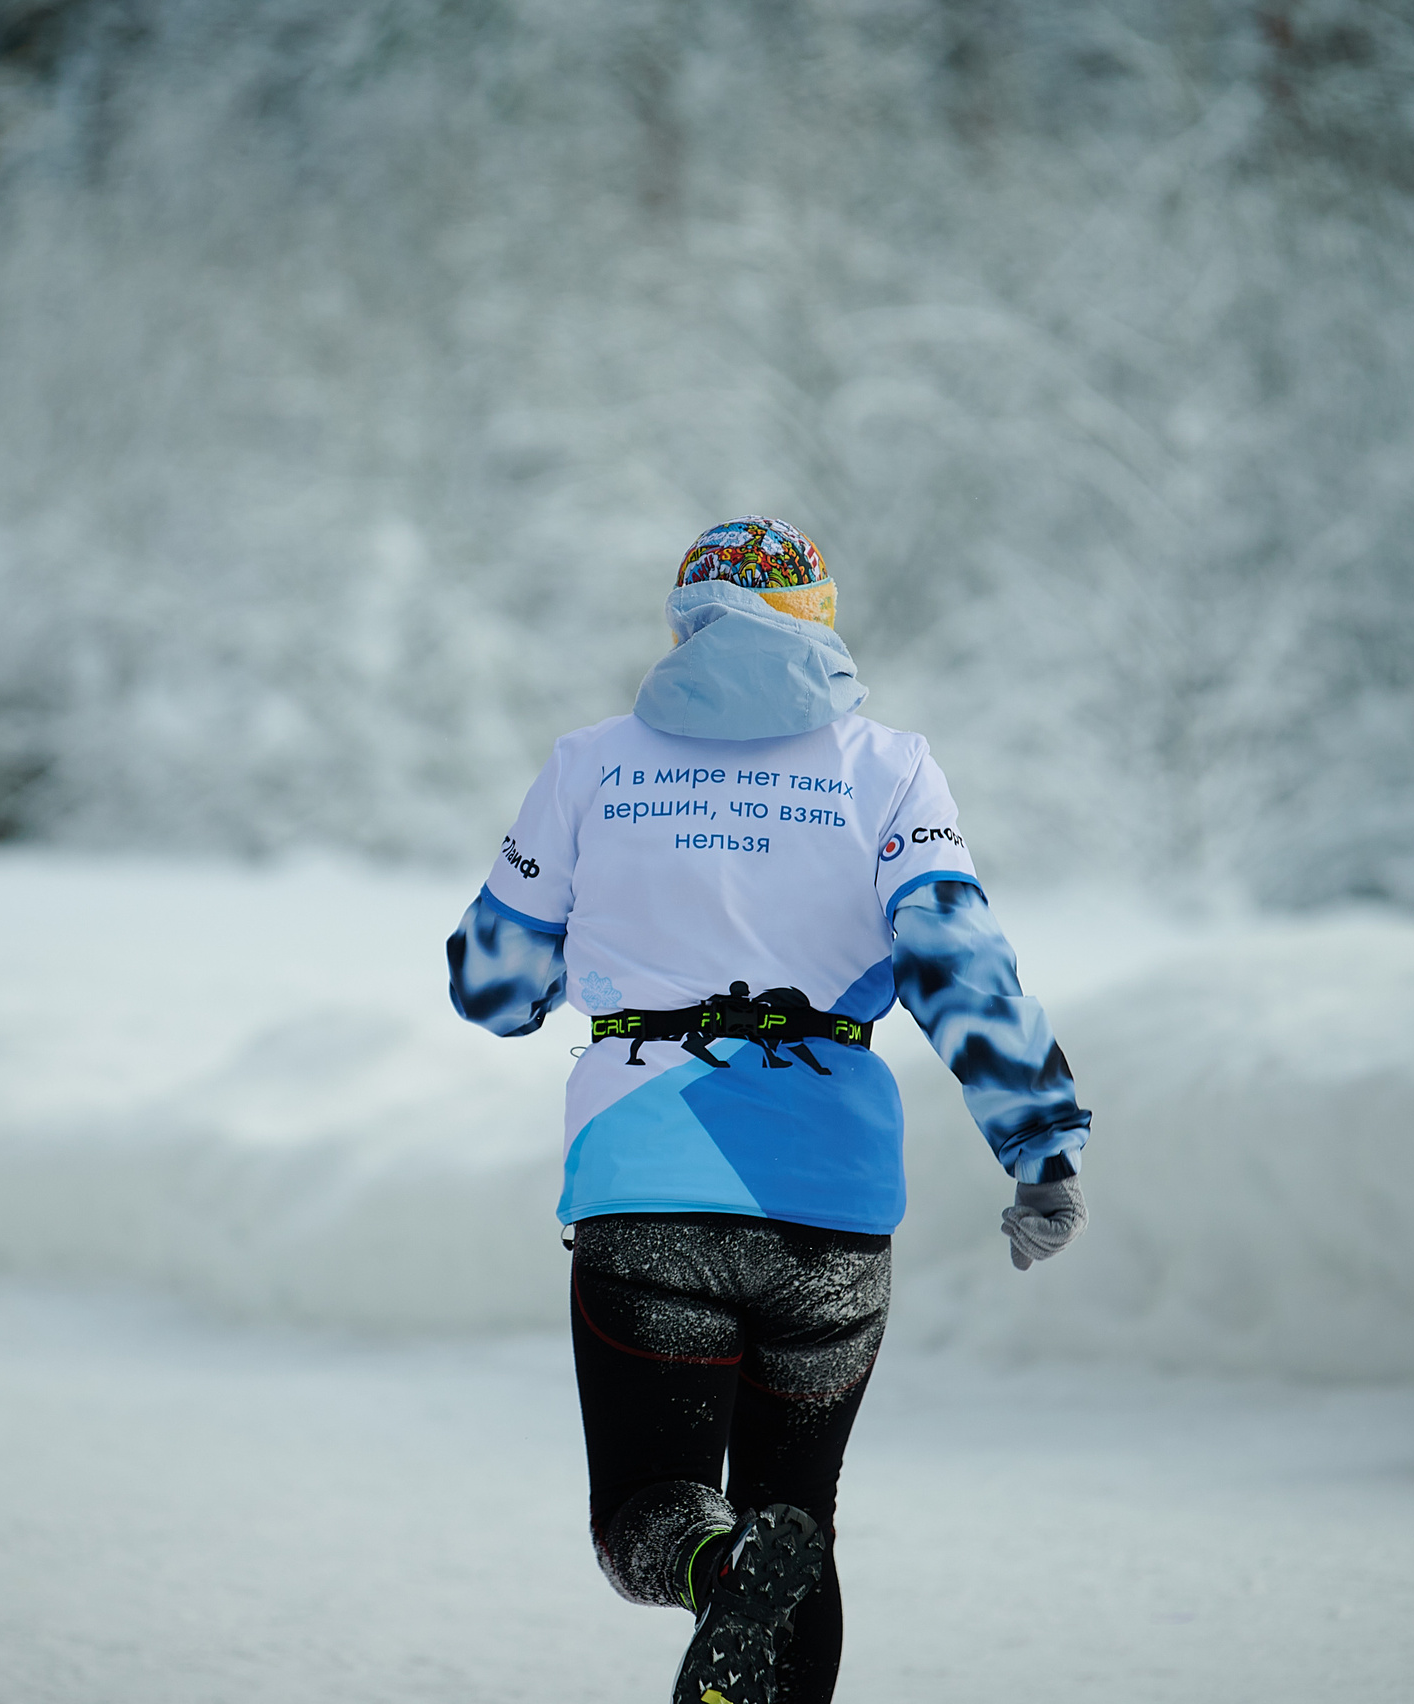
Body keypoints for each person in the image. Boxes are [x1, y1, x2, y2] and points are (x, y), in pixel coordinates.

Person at [446, 517, 1091, 1704]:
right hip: (830, 1203)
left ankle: (711, 1558)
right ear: (819, 617)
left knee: (652, 1515)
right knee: (800, 1518)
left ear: (682, 622)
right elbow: (959, 959)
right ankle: (756, 1565)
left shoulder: (591, 762)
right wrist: (1038, 1141)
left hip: (647, 1187)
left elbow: (490, 988)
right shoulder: (889, 766)